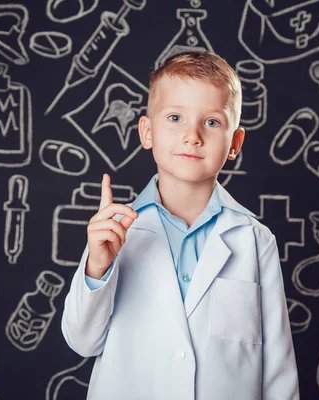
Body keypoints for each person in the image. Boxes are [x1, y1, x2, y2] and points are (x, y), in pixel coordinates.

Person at [61, 51, 299, 400]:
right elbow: (82, 341)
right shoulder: (115, 234)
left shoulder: (254, 240)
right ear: (147, 132)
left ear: (234, 143)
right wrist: (98, 266)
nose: (192, 136)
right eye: (175, 117)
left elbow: (278, 367)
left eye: (212, 122)